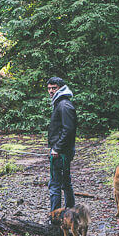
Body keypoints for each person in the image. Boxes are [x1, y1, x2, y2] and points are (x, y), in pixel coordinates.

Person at [46, 76, 77, 218]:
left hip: (61, 153)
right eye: (49, 88)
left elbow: (68, 130)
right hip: (62, 152)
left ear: (61, 88)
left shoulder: (64, 105)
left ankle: (55, 219)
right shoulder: (60, 103)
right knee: (65, 183)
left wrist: (57, 148)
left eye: (54, 88)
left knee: (55, 185)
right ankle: (71, 215)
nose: (51, 91)